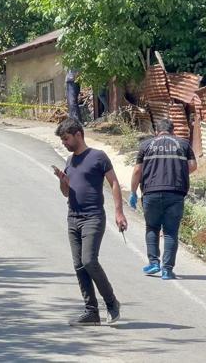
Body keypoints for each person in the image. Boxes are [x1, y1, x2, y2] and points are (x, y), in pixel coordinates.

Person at [53, 118, 126, 326]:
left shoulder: (98, 157)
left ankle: (112, 303)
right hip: (73, 217)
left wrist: (119, 213)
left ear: (78, 134)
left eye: (66, 139)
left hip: (93, 217)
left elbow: (114, 183)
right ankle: (91, 312)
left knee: (89, 261)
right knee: (78, 266)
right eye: (62, 140)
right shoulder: (69, 161)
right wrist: (63, 182)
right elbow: (66, 193)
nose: (64, 143)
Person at [129, 119, 197, 280]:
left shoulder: (146, 146)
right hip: (175, 193)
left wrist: (133, 192)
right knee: (170, 232)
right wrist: (178, 171)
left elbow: (137, 170)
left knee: (152, 227)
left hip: (151, 193)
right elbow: (193, 166)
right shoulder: (184, 144)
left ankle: (153, 262)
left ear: (156, 131)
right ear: (173, 131)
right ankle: (167, 270)